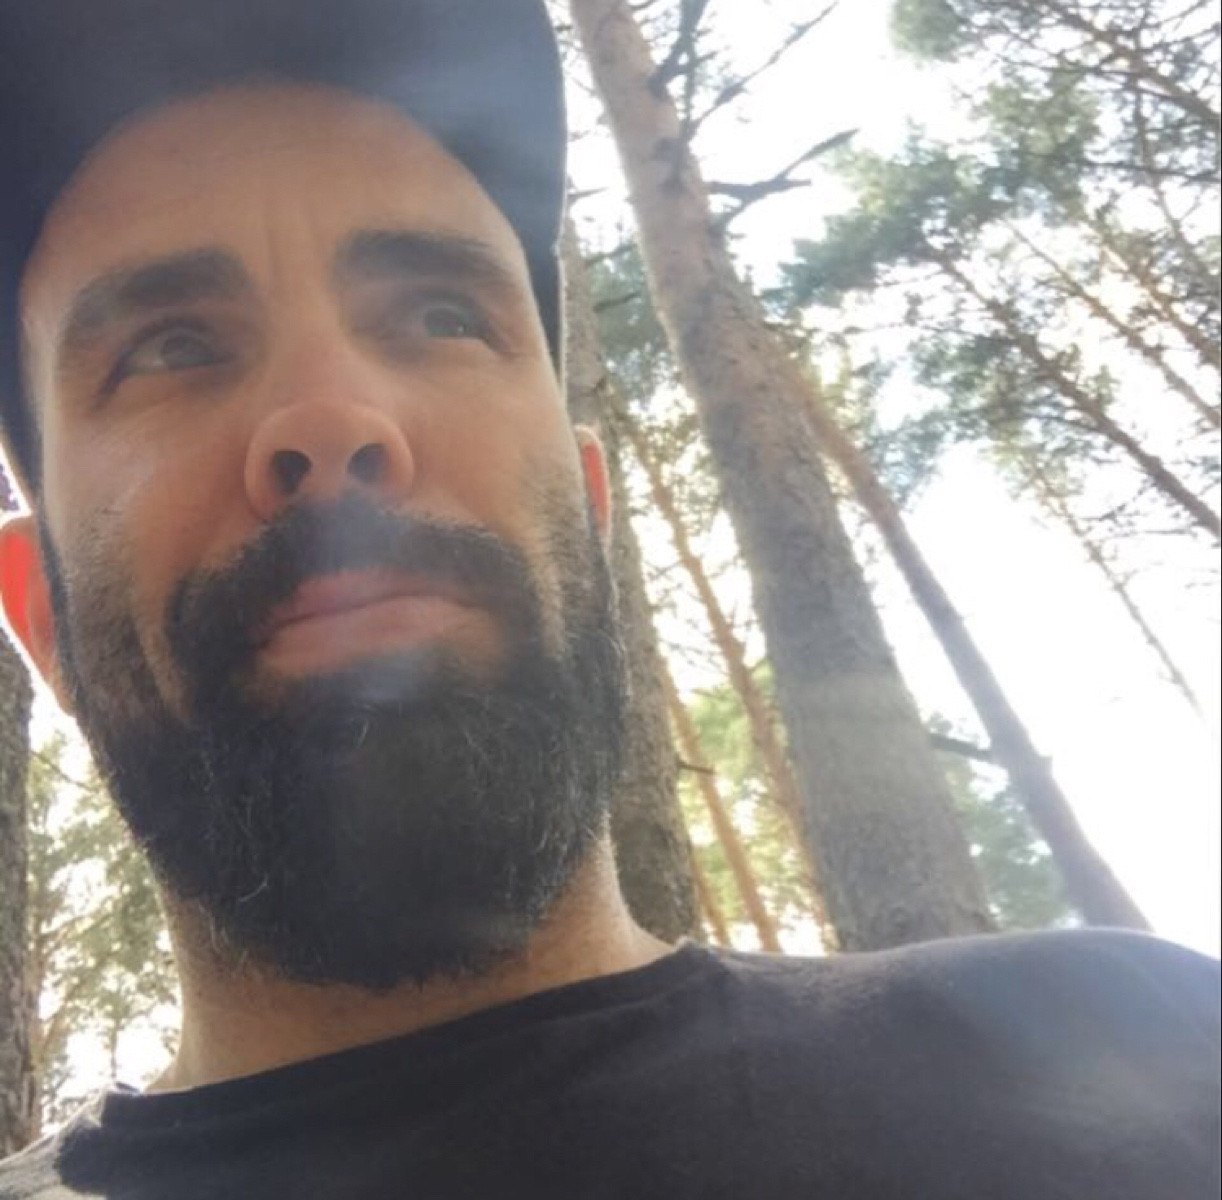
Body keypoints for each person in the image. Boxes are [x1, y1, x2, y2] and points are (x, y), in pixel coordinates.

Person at [0, 1, 1216, 1196]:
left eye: (439, 315)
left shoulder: (1150, 1044)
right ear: (40, 615)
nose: (330, 417)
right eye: (170, 346)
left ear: (591, 512)